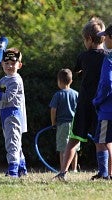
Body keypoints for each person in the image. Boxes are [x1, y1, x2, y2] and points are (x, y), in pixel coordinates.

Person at [54, 17, 106, 181]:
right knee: (102, 140)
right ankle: (104, 173)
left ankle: (63, 172)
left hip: (84, 104)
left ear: (89, 39)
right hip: (101, 104)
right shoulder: (107, 57)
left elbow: (76, 71)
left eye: (85, 40)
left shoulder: (83, 56)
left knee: (74, 138)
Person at [0, 48, 27, 177]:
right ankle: (22, 169)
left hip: (13, 115)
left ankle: (13, 171)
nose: (9, 66)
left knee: (12, 143)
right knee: (15, 143)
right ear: (2, 64)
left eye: (13, 63)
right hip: (5, 114)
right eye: (6, 63)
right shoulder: (2, 81)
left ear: (19, 65)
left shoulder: (15, 80)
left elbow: (7, 97)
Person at [91, 24, 112, 180]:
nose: (103, 39)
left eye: (106, 37)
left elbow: (106, 83)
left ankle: (104, 173)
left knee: (100, 140)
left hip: (107, 109)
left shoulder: (109, 59)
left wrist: (98, 100)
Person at [49, 68, 79, 172]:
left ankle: (63, 169)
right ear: (71, 81)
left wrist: (53, 123)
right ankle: (74, 169)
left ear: (59, 81)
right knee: (74, 147)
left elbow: (53, 110)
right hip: (75, 124)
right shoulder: (76, 94)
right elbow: (80, 109)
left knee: (63, 148)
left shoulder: (58, 94)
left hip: (62, 124)